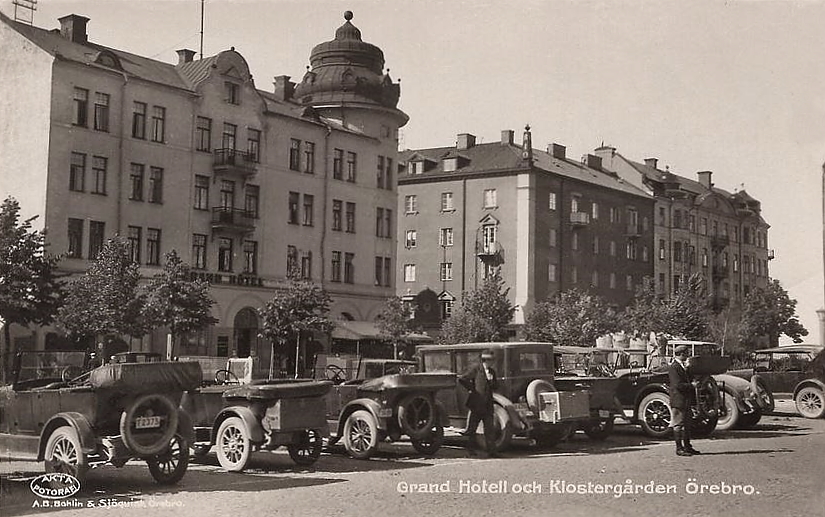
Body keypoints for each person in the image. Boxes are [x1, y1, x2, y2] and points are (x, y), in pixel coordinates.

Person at [458, 350, 500, 458]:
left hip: (487, 404)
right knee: (472, 429)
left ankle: (492, 451)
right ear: (484, 360)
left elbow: (496, 387)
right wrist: (471, 389)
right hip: (476, 404)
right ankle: (471, 451)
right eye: (489, 360)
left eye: (492, 360)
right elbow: (462, 379)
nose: (491, 363)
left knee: (489, 429)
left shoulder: (492, 372)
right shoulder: (476, 369)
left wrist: (491, 381)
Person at [669, 345, 701, 456]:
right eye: (686, 353)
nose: (687, 355)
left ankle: (687, 446)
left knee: (687, 423)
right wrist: (691, 385)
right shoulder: (674, 367)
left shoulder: (682, 366)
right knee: (678, 424)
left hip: (684, 400)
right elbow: (677, 385)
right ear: (682, 354)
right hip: (678, 399)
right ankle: (679, 448)